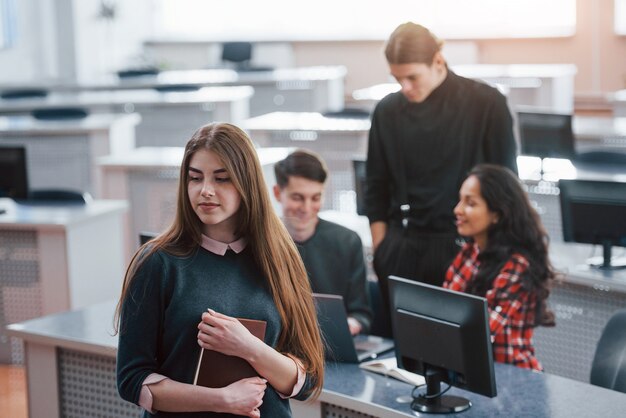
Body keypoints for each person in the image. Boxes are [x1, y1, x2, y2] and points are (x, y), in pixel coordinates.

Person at [115, 123, 324, 417]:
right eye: (195, 178)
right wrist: (223, 400)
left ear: (247, 183)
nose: (206, 191)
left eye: (222, 179)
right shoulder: (157, 262)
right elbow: (131, 380)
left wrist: (248, 347)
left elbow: (308, 379)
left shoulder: (280, 258)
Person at [365, 22, 518, 335]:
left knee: (462, 360)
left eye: (412, 77)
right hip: (403, 247)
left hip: (465, 248)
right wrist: (383, 251)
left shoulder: (486, 103)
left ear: (438, 61)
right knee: (406, 358)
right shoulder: (387, 111)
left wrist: (492, 255)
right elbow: (375, 187)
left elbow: (506, 188)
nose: (405, 87)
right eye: (397, 79)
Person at [444, 164, 556, 370]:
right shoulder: (469, 253)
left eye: (470, 203)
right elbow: (443, 310)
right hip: (472, 371)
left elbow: (479, 332)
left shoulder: (517, 266)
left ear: (497, 213)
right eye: (460, 200)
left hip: (514, 378)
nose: (457, 210)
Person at [273, 149, 372, 335]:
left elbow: (361, 314)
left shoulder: (347, 242)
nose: (307, 208)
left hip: (333, 346)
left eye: (315, 198)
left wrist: (349, 325)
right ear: (278, 193)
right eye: (297, 198)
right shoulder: (261, 241)